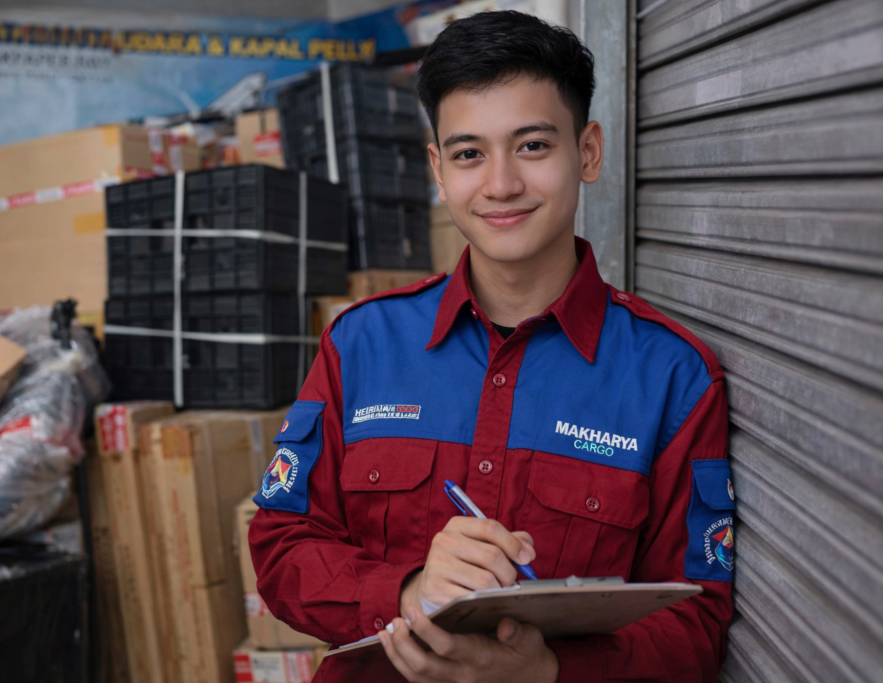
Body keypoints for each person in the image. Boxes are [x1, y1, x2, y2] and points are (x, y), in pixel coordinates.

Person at [249, 10, 734, 682]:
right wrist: (408, 591)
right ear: (438, 169)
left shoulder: (674, 377)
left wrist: (550, 671)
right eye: (469, 154)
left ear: (588, 151)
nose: (501, 184)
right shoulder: (360, 345)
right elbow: (281, 548)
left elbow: (694, 622)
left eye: (532, 145)